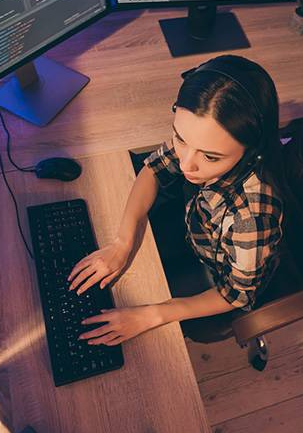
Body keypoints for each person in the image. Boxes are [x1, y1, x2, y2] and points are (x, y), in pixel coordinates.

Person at [68, 55, 285, 346]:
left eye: (210, 157)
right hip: (194, 229)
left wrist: (155, 315)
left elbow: (236, 294)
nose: (186, 165)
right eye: (180, 139)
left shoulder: (251, 222)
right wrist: (122, 243)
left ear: (250, 152)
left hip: (215, 276)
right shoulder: (199, 140)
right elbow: (154, 169)